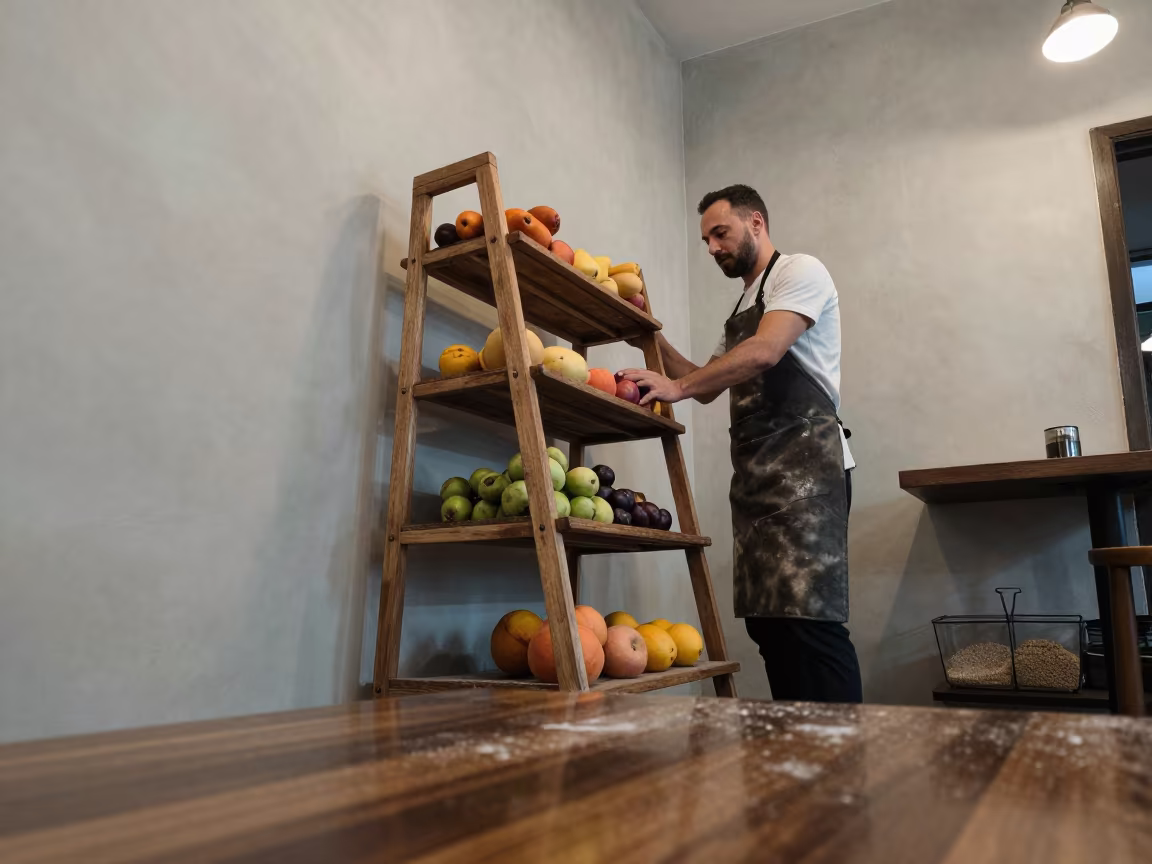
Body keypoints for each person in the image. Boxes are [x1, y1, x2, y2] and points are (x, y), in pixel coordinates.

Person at [618, 184, 861, 703]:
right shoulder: (743, 306)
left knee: (807, 623)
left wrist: (678, 388)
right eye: (706, 239)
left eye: (720, 233)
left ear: (756, 223)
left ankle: (837, 762)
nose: (712, 248)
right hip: (757, 478)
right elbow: (707, 382)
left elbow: (766, 351)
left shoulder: (800, 272)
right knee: (769, 627)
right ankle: (792, 753)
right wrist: (649, 333)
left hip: (808, 471)